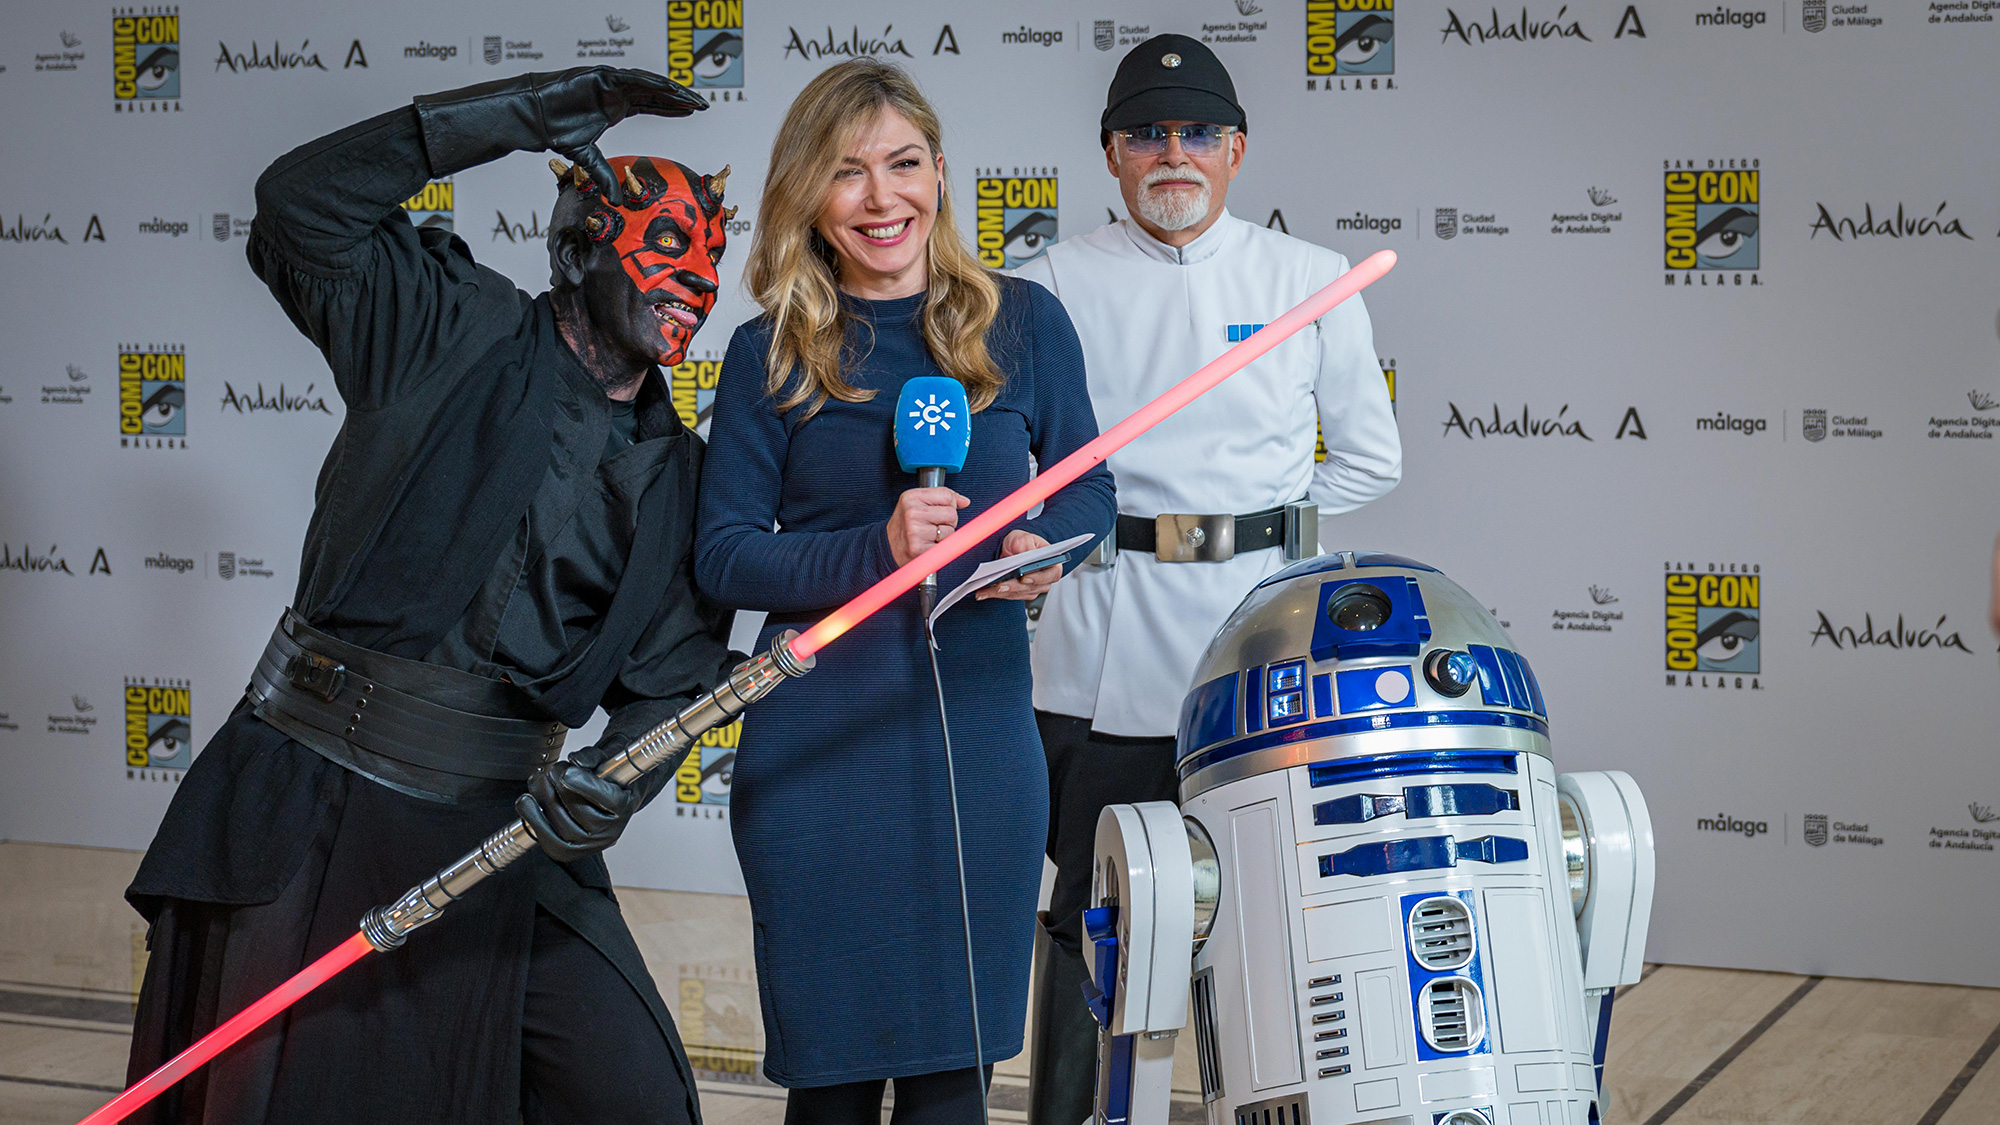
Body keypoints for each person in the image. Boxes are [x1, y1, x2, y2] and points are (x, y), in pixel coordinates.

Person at [122, 68, 741, 1124]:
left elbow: (672, 685)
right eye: (667, 245)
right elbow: (299, 206)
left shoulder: (682, 475)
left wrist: (616, 786)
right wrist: (517, 118)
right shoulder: (443, 326)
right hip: (319, 795)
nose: (696, 279)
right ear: (581, 244)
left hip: (506, 828)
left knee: (632, 1096)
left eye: (712, 256)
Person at [694, 59, 1116, 1124]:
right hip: (819, 749)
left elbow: (1091, 485)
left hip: (975, 740)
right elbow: (726, 555)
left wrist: (1044, 546)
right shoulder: (767, 352)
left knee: (950, 1089)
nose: (882, 200)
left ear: (939, 173)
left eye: (902, 164)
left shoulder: (1021, 324)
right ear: (807, 198)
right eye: (846, 174)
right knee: (830, 1097)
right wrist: (876, 550)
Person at [1009, 33, 1404, 1123]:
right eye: (1143, 133)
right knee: (1089, 911)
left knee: (1269, 912)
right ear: (1108, 156)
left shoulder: (1309, 281)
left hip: (1255, 656)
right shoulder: (1041, 288)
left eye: (1193, 133)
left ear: (1234, 150)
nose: (1169, 153)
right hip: (1100, 645)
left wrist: (1263, 534)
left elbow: (1372, 456)